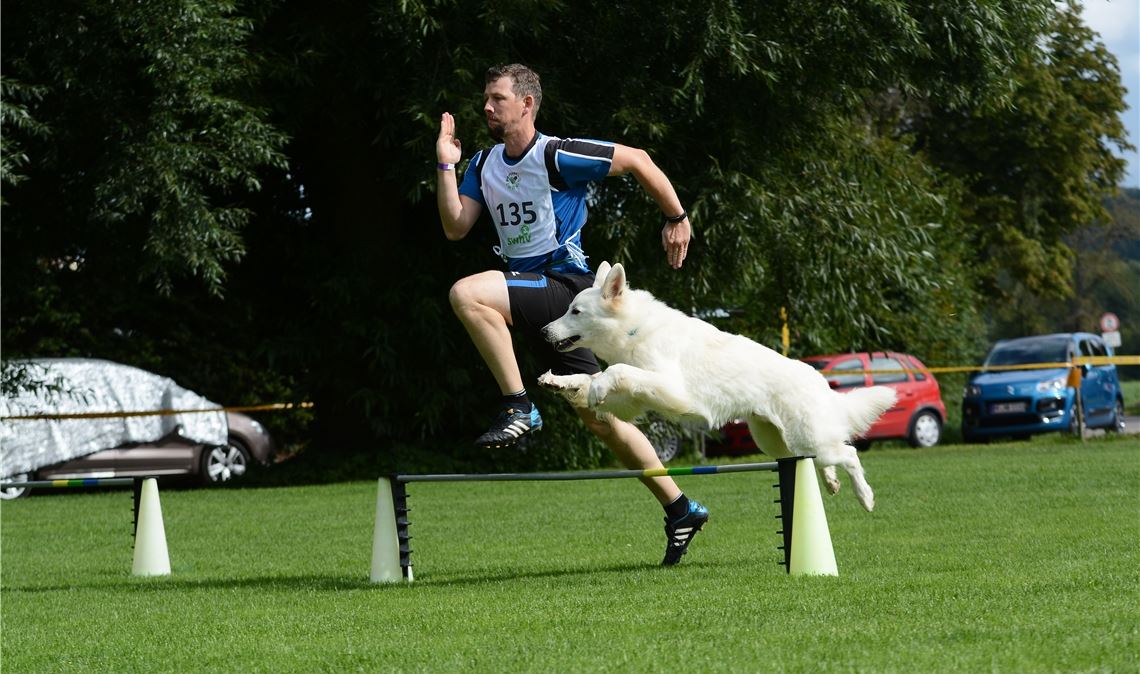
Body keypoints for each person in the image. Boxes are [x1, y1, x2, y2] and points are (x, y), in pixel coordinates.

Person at [435, 63, 705, 565]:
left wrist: (676, 217)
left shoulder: (557, 154)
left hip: (565, 290)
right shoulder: (480, 164)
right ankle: (681, 508)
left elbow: (641, 160)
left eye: (497, 98)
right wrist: (446, 164)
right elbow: (456, 226)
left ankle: (518, 404)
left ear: (527, 104)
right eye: (486, 99)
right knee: (600, 420)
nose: (487, 108)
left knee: (467, 294)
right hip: (531, 294)